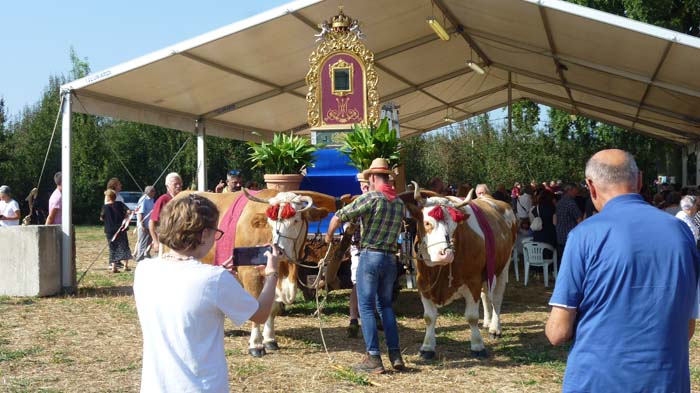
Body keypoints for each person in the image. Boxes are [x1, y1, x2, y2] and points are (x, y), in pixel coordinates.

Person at [545, 149, 699, 392]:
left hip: (598, 381)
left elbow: (558, 332)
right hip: (667, 380)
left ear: (590, 186)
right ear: (639, 180)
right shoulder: (681, 232)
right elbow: (687, 325)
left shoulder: (584, 236)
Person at [134, 194, 281, 392]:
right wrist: (272, 274)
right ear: (203, 234)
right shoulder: (214, 279)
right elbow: (261, 314)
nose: (215, 239)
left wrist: (219, 274)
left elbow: (183, 286)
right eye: (215, 232)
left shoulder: (144, 270)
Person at [325, 157, 405, 374]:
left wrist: (329, 236)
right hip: (390, 259)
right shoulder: (398, 202)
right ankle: (395, 355)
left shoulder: (371, 198)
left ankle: (373, 358)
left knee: (366, 307)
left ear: (371, 177)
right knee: (385, 306)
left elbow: (338, 217)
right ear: (388, 178)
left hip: (370, 256)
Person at [149, 172, 182, 253]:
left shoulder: (183, 199)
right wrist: (156, 241)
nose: (179, 186)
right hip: (165, 242)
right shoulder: (163, 199)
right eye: (175, 184)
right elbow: (152, 222)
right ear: (167, 186)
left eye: (180, 184)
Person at [102, 189, 132, 273]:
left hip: (110, 230)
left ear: (108, 197)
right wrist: (125, 215)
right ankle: (125, 266)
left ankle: (114, 267)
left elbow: (101, 217)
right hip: (121, 228)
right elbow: (129, 211)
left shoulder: (105, 207)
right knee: (124, 246)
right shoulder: (120, 204)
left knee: (113, 247)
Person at [554, 182, 582, 259]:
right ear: (569, 190)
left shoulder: (559, 202)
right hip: (569, 236)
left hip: (559, 235)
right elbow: (579, 220)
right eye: (575, 190)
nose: (576, 192)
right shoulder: (571, 203)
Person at [531, 188, 557, 254]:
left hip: (538, 234)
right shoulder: (553, 208)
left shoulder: (536, 208)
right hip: (550, 234)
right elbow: (555, 222)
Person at [134, 186, 156, 261]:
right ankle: (140, 257)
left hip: (150, 225)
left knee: (149, 242)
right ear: (149, 192)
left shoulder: (152, 200)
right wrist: (142, 225)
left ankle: (146, 254)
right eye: (153, 191)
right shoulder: (143, 200)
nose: (154, 193)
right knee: (142, 242)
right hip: (144, 225)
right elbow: (140, 213)